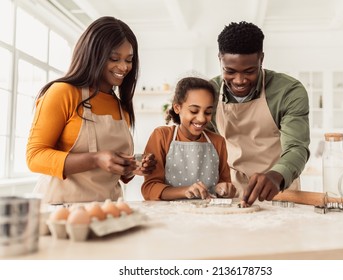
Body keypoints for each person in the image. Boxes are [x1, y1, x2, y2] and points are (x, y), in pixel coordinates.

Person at [26, 16, 156, 204]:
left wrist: (132, 168)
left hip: (107, 209)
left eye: (129, 60)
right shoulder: (63, 92)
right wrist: (95, 159)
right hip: (60, 209)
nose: (124, 67)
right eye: (114, 58)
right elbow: (35, 157)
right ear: (93, 55)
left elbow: (117, 173)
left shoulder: (121, 107)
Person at [209, 21, 310, 206]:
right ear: (219, 59)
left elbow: (297, 147)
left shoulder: (288, 91)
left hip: (280, 191)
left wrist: (276, 175)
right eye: (229, 71)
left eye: (249, 71)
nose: (239, 80)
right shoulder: (209, 92)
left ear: (261, 59)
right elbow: (202, 146)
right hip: (231, 194)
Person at [141, 77, 235, 200]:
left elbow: (225, 184)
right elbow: (149, 188)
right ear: (177, 108)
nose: (201, 119)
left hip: (209, 215)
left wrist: (224, 189)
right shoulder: (161, 136)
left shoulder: (218, 142)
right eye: (194, 111)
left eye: (207, 112)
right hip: (171, 215)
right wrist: (185, 191)